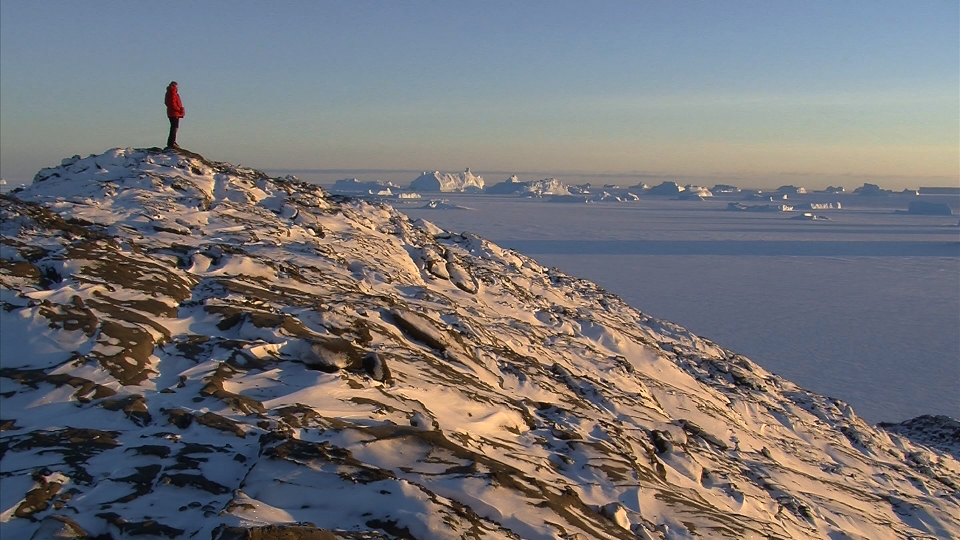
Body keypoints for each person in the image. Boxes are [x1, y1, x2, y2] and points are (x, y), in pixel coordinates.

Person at [164, 81, 185, 149]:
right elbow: (172, 103)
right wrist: (178, 109)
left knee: (174, 127)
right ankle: (171, 142)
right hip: (174, 112)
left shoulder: (171, 92)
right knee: (174, 127)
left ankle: (172, 141)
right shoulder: (172, 92)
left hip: (173, 112)